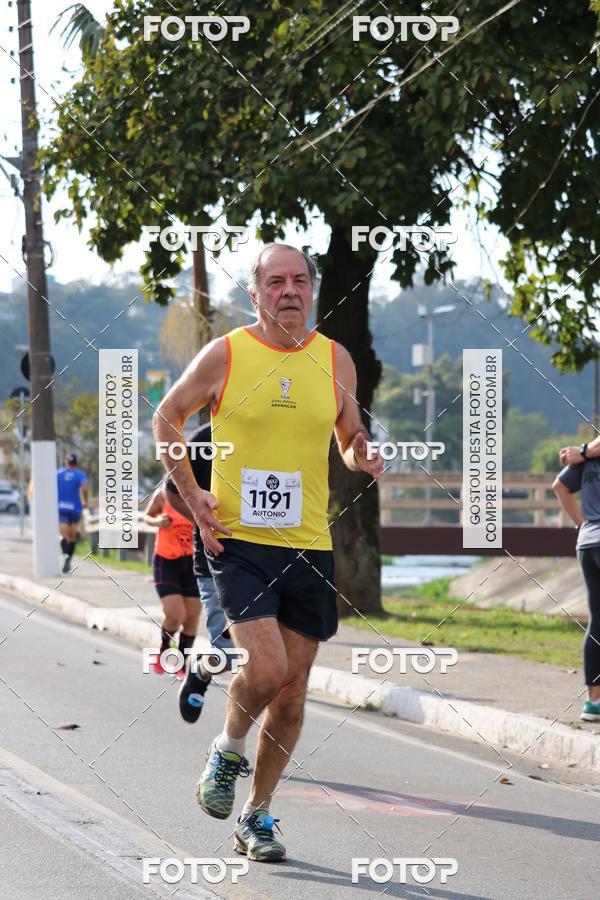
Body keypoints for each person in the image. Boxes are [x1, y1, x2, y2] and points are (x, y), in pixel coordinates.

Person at [154, 243, 383, 863]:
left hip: (309, 544)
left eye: (299, 280)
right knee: (267, 666)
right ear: (254, 293)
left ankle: (256, 817)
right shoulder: (227, 353)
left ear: (313, 290)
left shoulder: (336, 360)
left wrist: (362, 452)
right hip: (240, 541)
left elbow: (347, 434)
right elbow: (168, 417)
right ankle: (227, 751)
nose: (289, 290)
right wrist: (194, 497)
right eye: (275, 281)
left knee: (292, 693)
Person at [162, 422, 235, 722]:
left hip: (272, 564)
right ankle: (202, 668)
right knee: (232, 653)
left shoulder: (281, 432)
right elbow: (171, 492)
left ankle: (240, 747)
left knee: (274, 665)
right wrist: (202, 520)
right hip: (215, 564)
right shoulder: (208, 438)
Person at [554, 437, 600, 720]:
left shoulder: (586, 459)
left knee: (597, 620)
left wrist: (582, 523)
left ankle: (593, 701)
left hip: (589, 543)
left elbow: (559, 487)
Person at [143, 483, 201, 679]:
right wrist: (158, 521)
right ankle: (164, 649)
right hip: (166, 561)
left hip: (192, 562)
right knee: (175, 614)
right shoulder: (164, 494)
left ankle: (181, 663)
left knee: (192, 617)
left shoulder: (200, 496)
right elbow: (147, 517)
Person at [57, 453, 89, 574]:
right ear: (76, 463)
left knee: (62, 535)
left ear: (66, 462)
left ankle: (65, 555)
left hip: (61, 508)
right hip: (75, 508)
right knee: (72, 536)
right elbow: (85, 488)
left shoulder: (58, 474)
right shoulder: (80, 475)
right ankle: (69, 559)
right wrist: (85, 501)